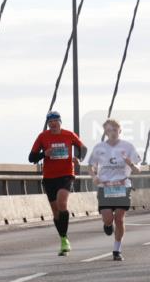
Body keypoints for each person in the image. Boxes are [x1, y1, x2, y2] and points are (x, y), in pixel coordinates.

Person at [28, 111, 87, 256]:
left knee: (62, 204)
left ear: (60, 122)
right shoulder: (43, 137)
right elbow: (31, 157)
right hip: (49, 177)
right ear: (48, 124)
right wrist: (44, 154)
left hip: (66, 175)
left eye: (55, 121)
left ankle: (64, 240)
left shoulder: (69, 135)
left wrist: (78, 158)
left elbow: (83, 148)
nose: (53, 124)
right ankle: (63, 238)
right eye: (50, 122)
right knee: (55, 213)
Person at [88, 119, 142, 261]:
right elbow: (90, 166)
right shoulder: (99, 147)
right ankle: (107, 224)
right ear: (105, 132)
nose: (112, 133)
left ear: (120, 131)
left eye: (115, 130)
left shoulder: (128, 146)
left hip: (122, 186)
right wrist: (94, 176)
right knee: (108, 218)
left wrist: (130, 164)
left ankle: (117, 250)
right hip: (105, 187)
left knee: (119, 218)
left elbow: (137, 168)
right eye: (109, 130)